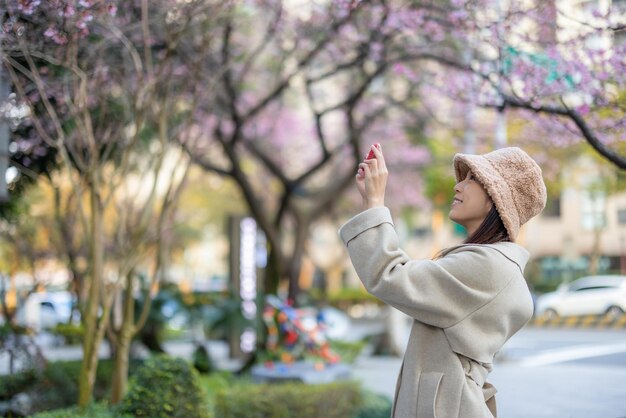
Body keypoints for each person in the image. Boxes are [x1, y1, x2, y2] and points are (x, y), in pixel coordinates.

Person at [338, 144, 547, 418]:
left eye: (474, 179)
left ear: (497, 200)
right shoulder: (492, 263)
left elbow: (390, 275)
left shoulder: (488, 266)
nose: (458, 186)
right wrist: (371, 204)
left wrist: (375, 204)